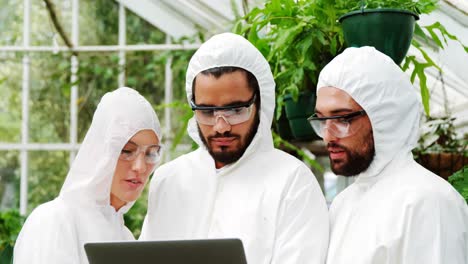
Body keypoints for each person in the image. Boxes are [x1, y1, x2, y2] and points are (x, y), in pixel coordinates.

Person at [139, 33, 329, 263]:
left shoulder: (292, 182)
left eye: (235, 110)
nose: (220, 127)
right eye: (207, 112)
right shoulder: (169, 179)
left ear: (260, 104)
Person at [308, 46, 468, 264]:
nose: (328, 136)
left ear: (384, 117)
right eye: (322, 120)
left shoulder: (430, 202)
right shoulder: (343, 203)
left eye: (343, 119)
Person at [13, 87, 162, 264]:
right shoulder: (53, 220)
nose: (140, 167)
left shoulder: (125, 237)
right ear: (101, 151)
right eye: (126, 151)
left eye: (150, 154)